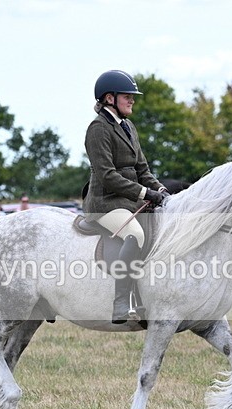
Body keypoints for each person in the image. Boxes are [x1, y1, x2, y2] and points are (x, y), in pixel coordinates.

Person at [83, 69, 169, 323]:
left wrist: (162, 191)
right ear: (110, 98)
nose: (132, 100)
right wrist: (145, 193)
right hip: (105, 203)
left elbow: (142, 169)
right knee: (135, 234)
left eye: (132, 96)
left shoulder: (128, 126)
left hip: (130, 200)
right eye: (127, 96)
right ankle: (121, 302)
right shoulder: (97, 129)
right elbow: (107, 174)